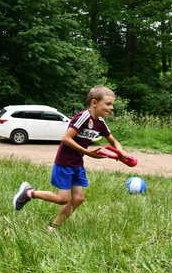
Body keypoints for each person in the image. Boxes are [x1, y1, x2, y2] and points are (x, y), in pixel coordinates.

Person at [12, 85, 127, 231]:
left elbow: (114, 141)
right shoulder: (83, 117)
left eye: (112, 105)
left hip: (77, 164)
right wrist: (88, 152)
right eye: (108, 104)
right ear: (94, 103)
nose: (111, 108)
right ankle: (29, 192)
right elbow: (66, 138)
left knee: (78, 199)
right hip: (64, 163)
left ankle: (53, 227)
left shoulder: (100, 122)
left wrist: (121, 152)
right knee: (63, 199)